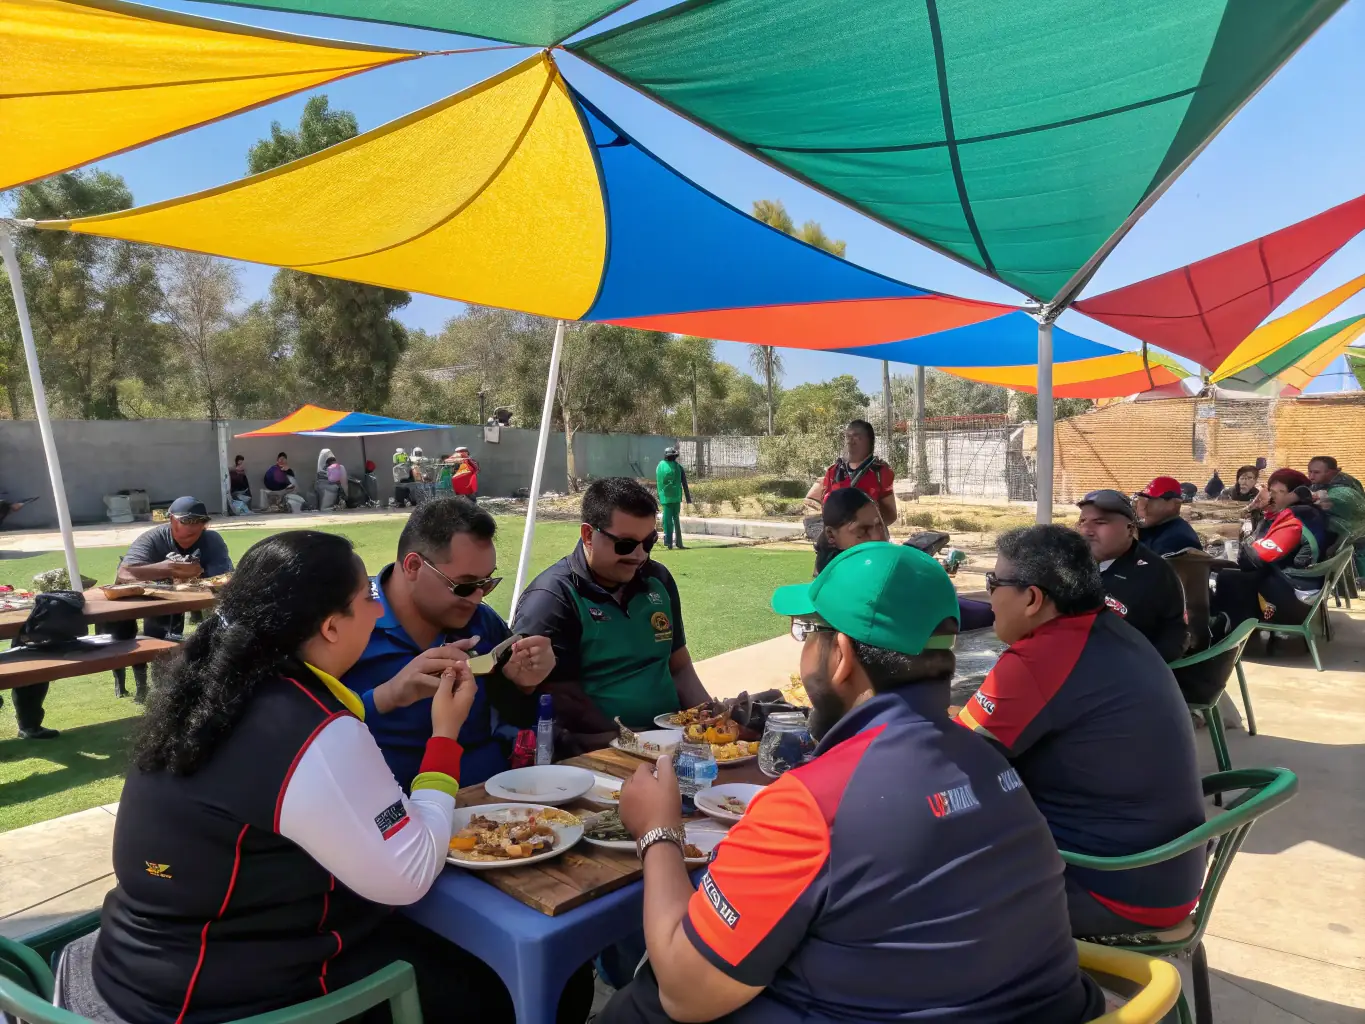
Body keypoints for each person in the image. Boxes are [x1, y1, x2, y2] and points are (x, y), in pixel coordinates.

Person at [54, 531, 578, 1024]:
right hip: (226, 996)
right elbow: (411, 872)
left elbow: (284, 776)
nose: (378, 607)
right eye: (367, 597)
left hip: (138, 959)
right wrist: (444, 738)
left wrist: (390, 698)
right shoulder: (309, 729)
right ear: (330, 626)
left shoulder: (215, 688)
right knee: (521, 984)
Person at [601, 543, 1105, 1024]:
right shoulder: (990, 764)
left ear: (840, 654)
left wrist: (658, 831)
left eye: (806, 631)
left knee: (644, 1004)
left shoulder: (813, 804)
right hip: (1052, 1007)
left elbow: (686, 995)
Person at [956, 525, 1205, 938]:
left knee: (924, 862)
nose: (991, 596)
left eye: (994, 583)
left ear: (1033, 598)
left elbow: (955, 760)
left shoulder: (1041, 658)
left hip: (1109, 885)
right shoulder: (1109, 629)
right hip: (1164, 873)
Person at [343, 497, 555, 788]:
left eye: (487, 583)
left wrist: (525, 684)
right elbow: (304, 731)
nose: (478, 598)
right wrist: (387, 696)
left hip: (492, 800)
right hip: (388, 808)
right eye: (465, 586)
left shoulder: (482, 622)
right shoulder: (347, 620)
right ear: (414, 565)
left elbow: (515, 717)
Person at [513, 477, 709, 755]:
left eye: (649, 542)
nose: (639, 555)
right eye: (626, 545)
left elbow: (679, 667)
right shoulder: (553, 597)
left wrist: (711, 718)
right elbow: (560, 696)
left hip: (671, 741)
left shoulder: (658, 578)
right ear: (588, 535)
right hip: (598, 749)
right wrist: (633, 739)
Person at [814, 487, 994, 630]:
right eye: (863, 530)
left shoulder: (883, 564)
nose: (878, 537)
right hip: (939, 615)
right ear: (831, 535)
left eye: (880, 526)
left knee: (993, 600)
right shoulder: (834, 576)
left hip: (942, 608)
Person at [109, 497, 234, 701]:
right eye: (186, 521)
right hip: (148, 600)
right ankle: (142, 686)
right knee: (143, 635)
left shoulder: (212, 540)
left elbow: (224, 577)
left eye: (199, 521)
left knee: (214, 633)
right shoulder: (153, 538)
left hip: (187, 599)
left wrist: (198, 573)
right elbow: (125, 573)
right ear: (171, 520)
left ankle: (188, 686)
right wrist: (168, 568)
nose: (193, 528)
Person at [1076, 489, 1188, 662]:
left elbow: (1174, 636)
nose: (1087, 530)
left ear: (1130, 529)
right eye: (1083, 521)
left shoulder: (1155, 574)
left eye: (1100, 522)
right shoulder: (1071, 562)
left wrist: (1139, 667)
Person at [1212, 468, 1329, 630]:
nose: (1272, 496)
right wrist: (1261, 511)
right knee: (1235, 574)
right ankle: (1236, 630)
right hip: (1300, 583)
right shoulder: (1306, 511)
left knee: (1228, 577)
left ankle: (1231, 636)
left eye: (1280, 491)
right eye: (1271, 491)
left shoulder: (1296, 518)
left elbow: (1253, 559)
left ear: (1297, 494)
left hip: (1295, 597)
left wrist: (1242, 549)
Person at [805, 419, 896, 525]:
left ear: (869, 441)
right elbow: (815, 507)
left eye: (857, 436)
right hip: (837, 536)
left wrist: (867, 523)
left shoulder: (880, 472)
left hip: (868, 536)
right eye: (848, 437)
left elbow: (891, 515)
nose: (850, 441)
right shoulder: (833, 471)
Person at [1307, 456, 1365, 574]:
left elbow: (1335, 502)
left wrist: (1320, 500)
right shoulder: (1318, 484)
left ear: (1332, 472)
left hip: (1356, 541)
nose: (1311, 476)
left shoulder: (1345, 489)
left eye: (1316, 472)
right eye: (1310, 471)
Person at [1134, 476, 1202, 555]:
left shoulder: (1178, 539)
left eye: (1151, 501)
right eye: (1142, 500)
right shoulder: (1151, 527)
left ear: (1174, 504)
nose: (1143, 508)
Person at [655, 447, 692, 551]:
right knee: (675, 520)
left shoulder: (660, 466)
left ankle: (669, 542)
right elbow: (684, 483)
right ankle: (678, 543)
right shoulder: (678, 467)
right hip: (674, 498)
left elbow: (659, 482)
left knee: (668, 521)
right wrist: (688, 498)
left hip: (666, 498)